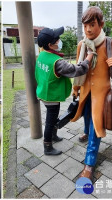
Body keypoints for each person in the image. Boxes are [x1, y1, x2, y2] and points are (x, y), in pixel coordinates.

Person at [71, 6, 112, 180]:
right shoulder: (82, 45)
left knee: (96, 125)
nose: (88, 29)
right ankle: (85, 131)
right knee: (86, 116)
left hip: (102, 95)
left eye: (92, 24)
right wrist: (75, 89)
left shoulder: (110, 44)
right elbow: (79, 69)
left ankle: (89, 163)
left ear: (101, 24)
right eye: (85, 25)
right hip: (86, 92)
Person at [35, 27, 94, 156]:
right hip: (51, 96)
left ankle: (54, 136)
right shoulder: (57, 62)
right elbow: (77, 69)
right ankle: (48, 147)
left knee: (53, 118)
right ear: (50, 45)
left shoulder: (42, 54)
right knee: (50, 121)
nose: (59, 41)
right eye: (57, 40)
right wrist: (89, 56)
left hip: (44, 92)